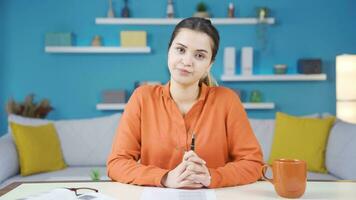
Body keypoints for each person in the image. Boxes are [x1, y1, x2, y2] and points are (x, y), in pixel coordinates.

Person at [107, 17, 263, 188]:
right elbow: (117, 163)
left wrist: (212, 176)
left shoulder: (227, 100)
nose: (187, 61)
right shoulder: (142, 98)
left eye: (199, 55)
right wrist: (165, 178)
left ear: (210, 64)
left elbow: (253, 164)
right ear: (169, 51)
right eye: (181, 50)